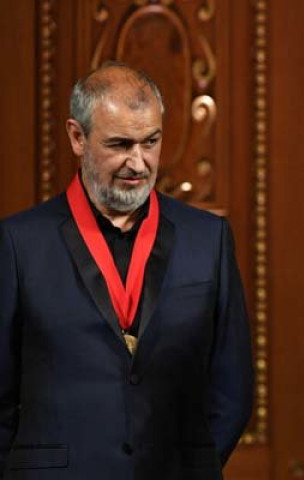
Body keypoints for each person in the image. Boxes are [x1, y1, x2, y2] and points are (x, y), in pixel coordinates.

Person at [0, 63, 253, 478]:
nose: (138, 162)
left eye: (150, 142)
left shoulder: (208, 238)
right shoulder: (17, 243)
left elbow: (232, 388)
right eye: (120, 144)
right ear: (77, 137)